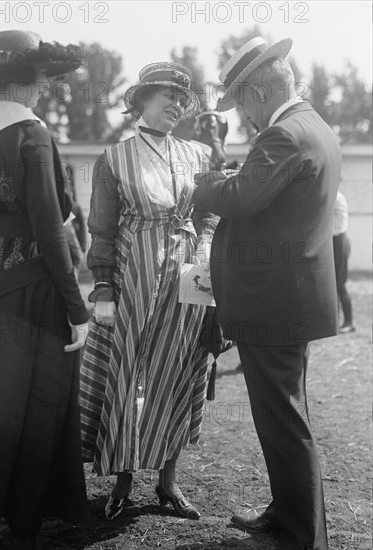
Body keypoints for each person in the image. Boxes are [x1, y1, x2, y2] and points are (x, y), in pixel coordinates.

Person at [193, 37, 342, 550]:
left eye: (242, 105)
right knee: (282, 415)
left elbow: (239, 196)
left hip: (274, 302)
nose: (246, 118)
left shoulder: (283, 134)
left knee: (282, 419)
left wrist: (201, 182)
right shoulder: (311, 125)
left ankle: (304, 536)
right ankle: (287, 513)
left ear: (258, 91)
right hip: (290, 298)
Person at [79, 62, 217, 521]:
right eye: (168, 96)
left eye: (183, 98)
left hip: (188, 277)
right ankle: (122, 480)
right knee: (129, 371)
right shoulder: (114, 158)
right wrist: (103, 288)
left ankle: (168, 482)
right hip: (134, 272)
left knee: (181, 368)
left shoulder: (198, 155)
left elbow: (210, 215)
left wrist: (207, 254)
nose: (177, 104)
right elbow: (100, 229)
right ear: (141, 101)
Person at [0, 31, 89, 550]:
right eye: (41, 77)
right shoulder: (33, 135)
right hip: (39, 288)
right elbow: (49, 229)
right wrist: (77, 306)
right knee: (41, 405)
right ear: (17, 81)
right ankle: (23, 522)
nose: (46, 86)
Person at [333, 190, 355, 333]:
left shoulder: (336, 196)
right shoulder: (334, 194)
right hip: (333, 241)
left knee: (339, 284)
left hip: (339, 241)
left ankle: (349, 322)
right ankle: (335, 321)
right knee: (333, 284)